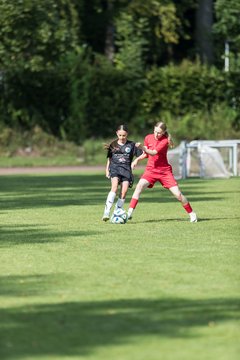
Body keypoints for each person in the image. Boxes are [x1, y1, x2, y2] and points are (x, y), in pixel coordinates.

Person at [127, 121, 198, 222]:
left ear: (164, 132)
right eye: (155, 131)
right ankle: (129, 213)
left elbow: (153, 152)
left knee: (178, 195)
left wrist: (142, 147)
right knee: (139, 186)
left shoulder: (165, 141)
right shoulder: (148, 137)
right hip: (151, 170)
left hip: (164, 172)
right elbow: (146, 154)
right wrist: (136, 160)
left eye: (159, 132)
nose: (156, 134)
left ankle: (192, 214)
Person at [102, 124, 143, 221]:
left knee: (124, 192)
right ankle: (106, 212)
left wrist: (140, 150)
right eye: (120, 135)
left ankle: (117, 212)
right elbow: (110, 158)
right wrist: (107, 169)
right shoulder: (113, 144)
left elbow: (143, 154)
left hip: (126, 170)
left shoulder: (132, 145)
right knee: (114, 187)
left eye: (124, 135)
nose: (122, 137)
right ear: (117, 134)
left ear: (127, 134)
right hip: (115, 168)